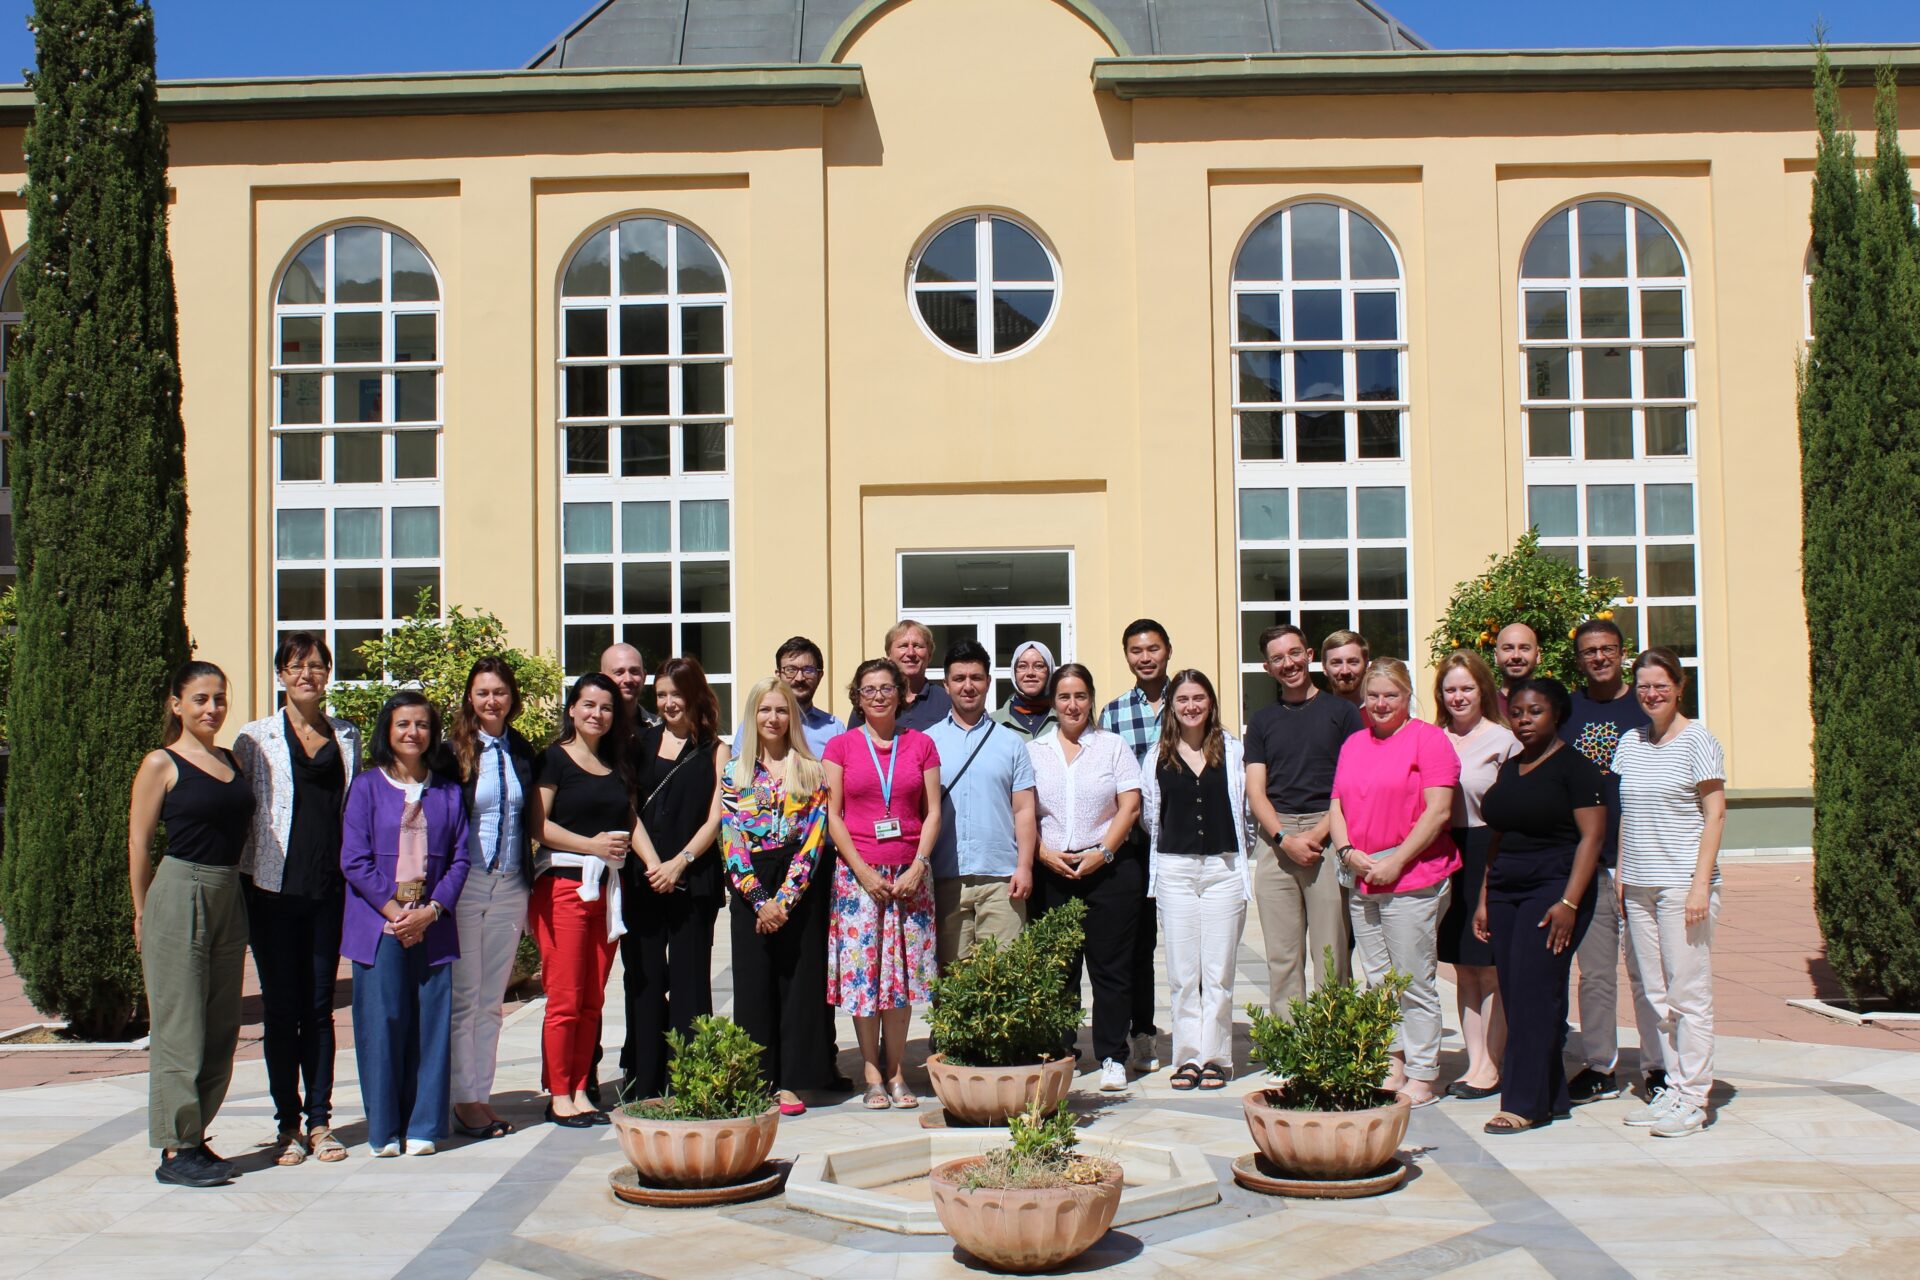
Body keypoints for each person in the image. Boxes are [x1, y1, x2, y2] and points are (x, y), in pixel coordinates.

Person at [234, 633, 361, 1167]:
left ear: (328, 673)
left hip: (328, 890)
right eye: (295, 665)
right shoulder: (254, 737)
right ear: (281, 675)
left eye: (316, 665)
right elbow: (242, 812)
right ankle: (287, 1124)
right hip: (271, 890)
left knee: (319, 1008)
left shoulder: (347, 736)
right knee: (282, 1009)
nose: (306, 674)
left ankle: (320, 1122)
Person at [127, 661, 255, 1188]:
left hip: (228, 893)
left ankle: (195, 1134)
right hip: (181, 890)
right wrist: (141, 912)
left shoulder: (232, 760)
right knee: (180, 1027)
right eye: (201, 699)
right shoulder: (161, 762)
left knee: (222, 1026)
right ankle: (176, 1149)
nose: (212, 708)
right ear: (176, 705)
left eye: (219, 698)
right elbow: (139, 843)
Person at [339, 692, 471, 1157]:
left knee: (431, 1025)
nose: (413, 732)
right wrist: (397, 912)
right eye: (403, 724)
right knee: (382, 1024)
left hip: (432, 921)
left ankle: (424, 1126)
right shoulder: (365, 787)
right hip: (381, 924)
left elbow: (460, 859)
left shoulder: (448, 792)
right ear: (388, 731)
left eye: (422, 724)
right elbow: (353, 860)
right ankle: (383, 1130)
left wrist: (431, 911)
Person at [1473, 678, 1606, 1133]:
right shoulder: (1511, 767)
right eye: (1517, 713)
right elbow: (1499, 836)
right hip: (1506, 889)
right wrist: (1485, 898)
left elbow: (1592, 838)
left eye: (1535, 712)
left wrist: (1569, 902)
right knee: (1517, 994)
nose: (1524, 721)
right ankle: (1550, 1096)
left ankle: (1522, 1104)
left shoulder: (1577, 768)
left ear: (1557, 714)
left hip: (1553, 889)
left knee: (1534, 994)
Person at [1330, 658, 1460, 1108]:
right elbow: (1337, 804)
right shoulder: (1354, 742)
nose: (1381, 703)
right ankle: (1392, 1061)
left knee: (1412, 979)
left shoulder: (1429, 739)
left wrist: (1397, 861)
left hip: (1412, 876)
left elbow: (1438, 811)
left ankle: (1423, 1073)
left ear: (1407, 696)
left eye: (1391, 695)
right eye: (1374, 695)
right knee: (1378, 979)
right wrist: (1346, 851)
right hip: (1363, 875)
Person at [1614, 648, 1726, 1139]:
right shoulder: (1631, 742)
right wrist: (1621, 874)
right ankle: (1670, 1087)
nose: (1652, 694)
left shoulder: (1699, 739)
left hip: (1682, 886)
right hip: (1638, 885)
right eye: (1643, 686)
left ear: (1679, 687)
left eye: (1661, 685)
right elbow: (1628, 814)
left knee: (1688, 994)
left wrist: (1700, 885)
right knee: (1654, 994)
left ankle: (1693, 1097)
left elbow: (1715, 813)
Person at [824, 658, 942, 1109]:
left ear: (901, 694)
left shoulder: (922, 745)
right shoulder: (840, 747)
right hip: (859, 878)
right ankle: (872, 1071)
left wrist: (919, 865)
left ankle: (897, 1071)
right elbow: (833, 816)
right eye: (868, 689)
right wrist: (862, 871)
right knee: (864, 976)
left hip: (910, 877)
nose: (877, 696)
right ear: (857, 696)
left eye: (886, 688)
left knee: (901, 979)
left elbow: (933, 812)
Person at [1029, 663, 1143, 1092]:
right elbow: (1023, 810)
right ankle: (1061, 1052)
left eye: (1080, 696)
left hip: (1109, 871)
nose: (1073, 705)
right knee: (1059, 970)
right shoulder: (1035, 751)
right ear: (1053, 703)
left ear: (1091, 699)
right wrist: (1042, 853)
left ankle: (1112, 1055)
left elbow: (1130, 805)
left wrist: (1104, 852)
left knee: (1110, 970)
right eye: (1064, 697)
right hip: (1052, 871)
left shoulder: (1112, 746)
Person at [620, 656, 730, 1101]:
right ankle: (644, 1080)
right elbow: (628, 808)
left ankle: (689, 1080)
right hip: (644, 878)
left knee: (690, 983)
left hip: (694, 879)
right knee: (644, 981)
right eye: (661, 695)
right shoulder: (638, 744)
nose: (668, 703)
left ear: (695, 695)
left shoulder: (716, 750)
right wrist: (654, 864)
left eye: (676, 694)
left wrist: (679, 862)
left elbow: (717, 817)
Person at [722, 677, 833, 1115]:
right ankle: (756, 1078)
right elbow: (731, 840)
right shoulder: (735, 772)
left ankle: (791, 1082)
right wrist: (759, 900)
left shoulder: (811, 770)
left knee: (798, 985)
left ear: (792, 716)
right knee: (754, 985)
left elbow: (815, 838)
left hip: (798, 886)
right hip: (751, 884)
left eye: (781, 710)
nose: (773, 718)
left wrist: (784, 901)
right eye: (765, 710)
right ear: (753, 715)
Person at [440, 658, 539, 1140]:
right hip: (467, 885)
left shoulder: (521, 750)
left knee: (491, 999)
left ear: (511, 697)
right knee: (465, 997)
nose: (491, 701)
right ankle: (464, 1099)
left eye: (499, 692)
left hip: (511, 885)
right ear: (470, 697)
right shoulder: (452, 751)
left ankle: (481, 1092)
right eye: (482, 692)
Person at [1138, 670, 1250, 1091]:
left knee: (1218, 972)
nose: (1191, 706)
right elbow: (1151, 815)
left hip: (1223, 870)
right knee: (1183, 974)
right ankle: (1187, 1057)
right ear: (1172, 706)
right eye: (1182, 699)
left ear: (1211, 702)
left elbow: (1246, 811)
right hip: (1176, 871)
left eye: (1198, 698)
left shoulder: (1233, 751)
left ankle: (1216, 1058)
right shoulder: (1157, 755)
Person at [532, 674, 633, 1127]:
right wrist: (591, 846)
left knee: (592, 998)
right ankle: (558, 1094)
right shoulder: (554, 759)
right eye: (588, 704)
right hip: (563, 888)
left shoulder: (616, 764)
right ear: (572, 708)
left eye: (606, 707)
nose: (597, 714)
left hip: (606, 890)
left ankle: (579, 1088)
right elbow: (540, 825)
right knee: (565, 999)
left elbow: (631, 819)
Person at [1560, 617, 1654, 1105]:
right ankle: (1600, 1067)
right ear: (1579, 659)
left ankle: (1658, 1067)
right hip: (1590, 864)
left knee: (1646, 972)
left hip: (1639, 863)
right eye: (1589, 651)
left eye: (1608, 649)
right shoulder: (1568, 710)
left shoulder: (1645, 706)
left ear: (1621, 653)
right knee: (1595, 973)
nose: (1599, 657)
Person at [1244, 625, 1362, 1010]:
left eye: (1294, 653)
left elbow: (1352, 784)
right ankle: (1287, 1037)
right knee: (1282, 957)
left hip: (1328, 834)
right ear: (1268, 667)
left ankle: (1334, 1037)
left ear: (1309, 655)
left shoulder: (1342, 713)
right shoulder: (1262, 720)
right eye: (1277, 658)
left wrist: (1317, 835)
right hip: (1276, 840)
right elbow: (1256, 792)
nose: (1288, 663)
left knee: (1331, 954)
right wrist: (1284, 838)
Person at [1433, 651, 1519, 1100]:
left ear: (1482, 690)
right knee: (1464, 966)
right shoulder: (1433, 738)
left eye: (1467, 688)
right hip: (1445, 853)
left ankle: (1492, 1064)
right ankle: (1475, 1061)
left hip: (1490, 851)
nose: (1459, 697)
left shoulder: (1504, 741)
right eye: (1450, 689)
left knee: (1491, 967)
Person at [925, 639, 1038, 966]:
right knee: (953, 980)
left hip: (1002, 880)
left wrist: (1024, 867)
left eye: (976, 677)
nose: (968, 686)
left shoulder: (1011, 743)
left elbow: (1024, 810)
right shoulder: (927, 742)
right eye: (959, 678)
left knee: (1005, 978)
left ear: (988, 682)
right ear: (946, 685)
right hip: (945, 878)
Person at [1099, 619, 1171, 1075]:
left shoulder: (1189, 699)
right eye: (1136, 651)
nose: (1145, 658)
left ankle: (1190, 1036)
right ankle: (1139, 1031)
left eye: (1152, 649)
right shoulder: (1113, 712)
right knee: (1135, 943)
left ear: (1168, 651)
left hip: (1181, 842)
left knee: (1180, 943)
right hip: (1133, 843)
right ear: (1127, 656)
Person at [734, 636, 846, 756]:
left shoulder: (834, 730)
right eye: (791, 670)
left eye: (808, 670)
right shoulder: (754, 727)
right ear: (778, 675)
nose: (799, 678)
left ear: (819, 676)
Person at [851, 620, 952, 733]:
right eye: (903, 646)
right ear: (889, 654)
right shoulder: (872, 702)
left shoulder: (947, 701)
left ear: (930, 655)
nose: (911, 653)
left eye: (917, 646)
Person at [992, 639, 1059, 742]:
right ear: (1014, 672)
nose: (1030, 673)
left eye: (1039, 666)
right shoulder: (992, 723)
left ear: (1049, 671)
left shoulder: (1064, 720)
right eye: (1022, 666)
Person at [600, 642, 654, 729]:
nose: (628, 679)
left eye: (634, 671)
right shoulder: (592, 728)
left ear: (644, 677)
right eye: (619, 673)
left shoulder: (659, 728)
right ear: (602, 678)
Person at [1494, 623, 1540, 708]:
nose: (1516, 656)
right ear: (1496, 656)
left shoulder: (1554, 707)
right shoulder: (1484, 709)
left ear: (1537, 656)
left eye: (1524, 648)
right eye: (1508, 649)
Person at [1320, 629, 1371, 706]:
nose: (1345, 671)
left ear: (1366, 665)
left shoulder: (1381, 711)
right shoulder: (1316, 712)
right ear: (1324, 667)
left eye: (1353, 662)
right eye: (1336, 663)